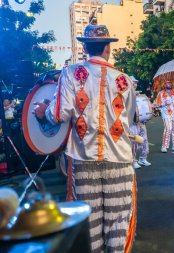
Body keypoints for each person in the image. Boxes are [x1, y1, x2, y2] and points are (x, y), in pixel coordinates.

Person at [34, 25, 136, 253]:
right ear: (108, 47)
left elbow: (59, 114)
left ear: (84, 47)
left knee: (89, 226)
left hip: (83, 160)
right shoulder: (124, 79)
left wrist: (43, 112)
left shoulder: (70, 73)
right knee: (117, 224)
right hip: (119, 161)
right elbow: (128, 118)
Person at [129, 76, 151, 169]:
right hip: (132, 122)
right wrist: (132, 94)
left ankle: (143, 158)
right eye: (133, 82)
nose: (135, 84)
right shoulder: (126, 94)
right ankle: (133, 160)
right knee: (134, 141)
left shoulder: (139, 95)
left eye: (136, 83)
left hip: (140, 121)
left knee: (144, 139)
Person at [156, 80, 174, 153]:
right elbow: (158, 104)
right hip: (166, 113)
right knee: (168, 129)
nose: (169, 84)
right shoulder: (161, 94)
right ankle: (164, 146)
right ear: (164, 84)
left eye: (170, 82)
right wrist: (164, 103)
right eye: (168, 83)